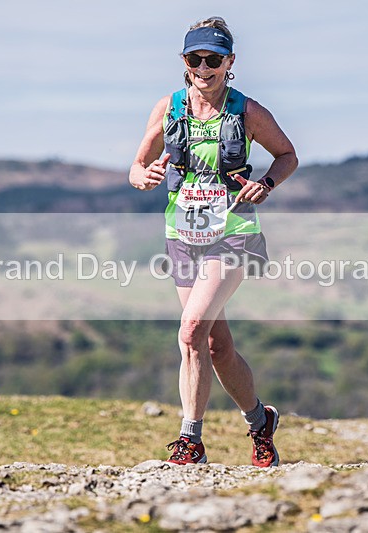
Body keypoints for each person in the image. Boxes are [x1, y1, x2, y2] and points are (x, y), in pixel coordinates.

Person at [129, 16, 298, 467]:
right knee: (213, 345)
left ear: (230, 63)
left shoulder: (247, 111)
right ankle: (260, 421)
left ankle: (191, 441)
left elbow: (287, 155)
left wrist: (267, 184)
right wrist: (141, 177)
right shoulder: (169, 108)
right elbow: (136, 165)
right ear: (184, 61)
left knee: (189, 331)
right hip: (182, 235)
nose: (204, 67)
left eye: (213, 59)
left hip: (233, 233)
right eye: (195, 58)